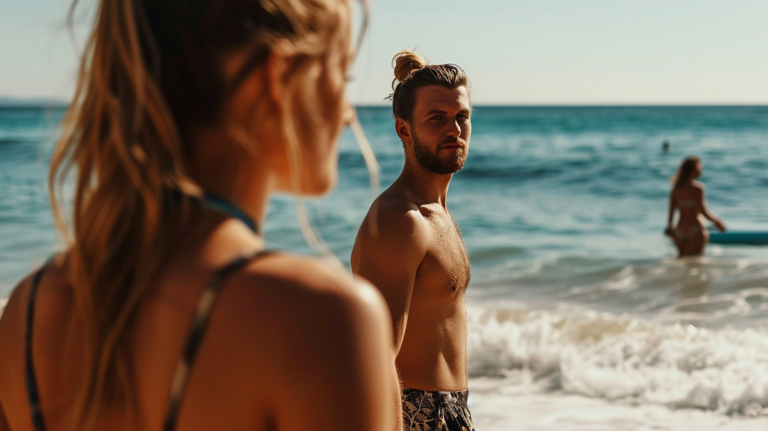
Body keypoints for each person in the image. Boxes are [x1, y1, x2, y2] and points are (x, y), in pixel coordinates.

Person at [0, 0, 399, 430]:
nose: (347, 113)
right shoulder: (319, 318)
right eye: (342, 73)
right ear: (277, 75)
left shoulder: (28, 309)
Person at [351, 51, 475, 431]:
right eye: (437, 119)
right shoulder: (400, 221)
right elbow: (375, 358)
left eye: (461, 117)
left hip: (451, 410)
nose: (454, 130)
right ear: (404, 130)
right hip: (416, 415)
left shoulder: (434, 212)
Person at [666, 156, 726, 257]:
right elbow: (704, 212)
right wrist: (717, 221)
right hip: (696, 229)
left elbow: (671, 211)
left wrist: (670, 228)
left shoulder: (676, 189)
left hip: (679, 230)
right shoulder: (697, 189)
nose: (700, 172)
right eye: (699, 169)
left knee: (682, 264)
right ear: (693, 170)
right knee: (695, 264)